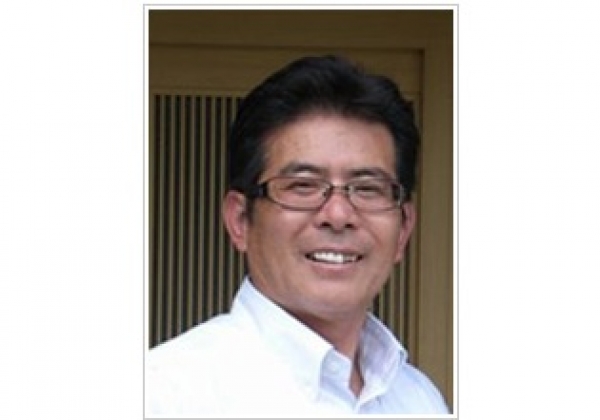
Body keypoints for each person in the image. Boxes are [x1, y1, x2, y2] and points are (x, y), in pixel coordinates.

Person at [145, 55, 449, 416]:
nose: (338, 215)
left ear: (404, 230)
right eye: (303, 186)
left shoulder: (419, 399)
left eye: (368, 188)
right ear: (240, 220)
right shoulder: (165, 394)